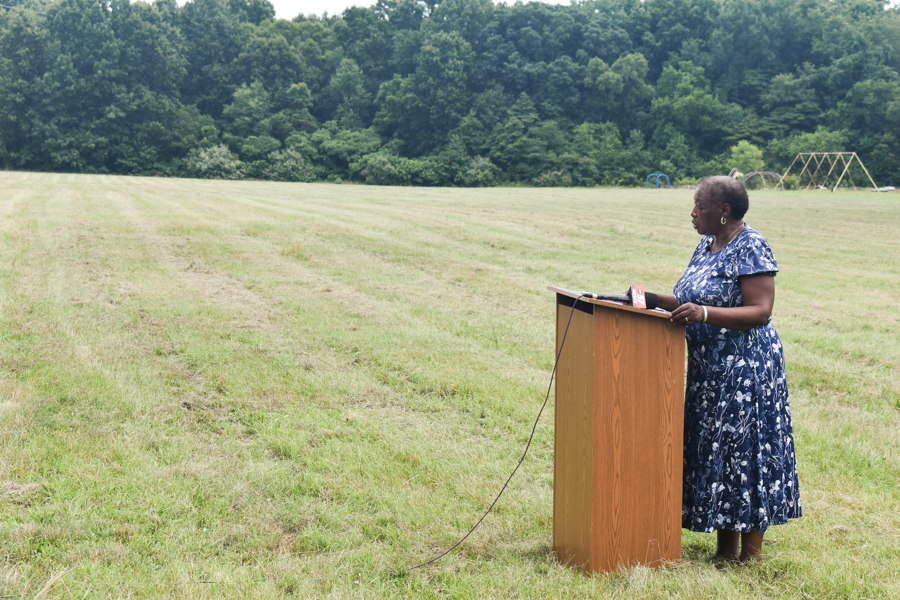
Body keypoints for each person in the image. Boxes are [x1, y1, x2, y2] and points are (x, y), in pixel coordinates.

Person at [646, 176, 802, 562]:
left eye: (700, 205)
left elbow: (760, 311)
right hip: (708, 370)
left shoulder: (752, 246)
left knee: (745, 454)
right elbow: (689, 300)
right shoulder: (706, 245)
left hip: (745, 370)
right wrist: (650, 299)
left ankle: (748, 556)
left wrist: (705, 314)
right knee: (719, 455)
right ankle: (724, 551)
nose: (693, 212)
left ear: (724, 212)